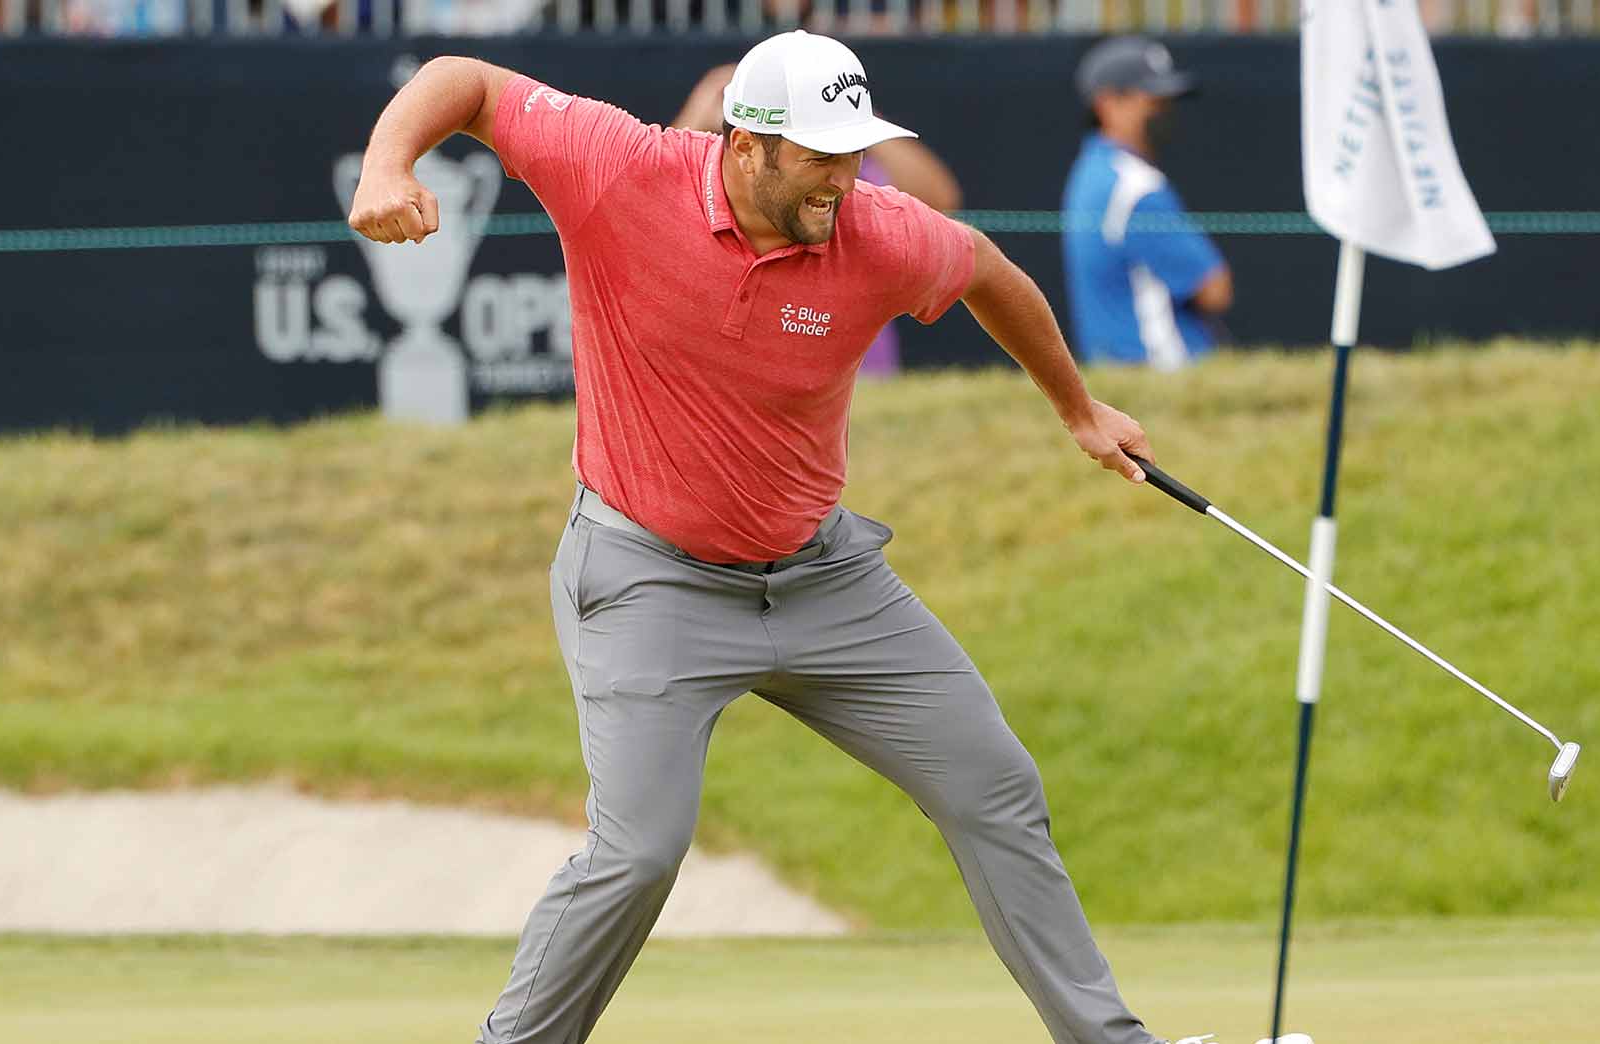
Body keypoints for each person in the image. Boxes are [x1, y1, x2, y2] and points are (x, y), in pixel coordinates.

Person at [348, 28, 1308, 1044]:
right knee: (637, 853)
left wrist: (1076, 409)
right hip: (648, 580)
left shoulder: (878, 230)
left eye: (855, 151)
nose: (844, 179)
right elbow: (465, 80)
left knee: (994, 784)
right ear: (748, 140)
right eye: (819, 153)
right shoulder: (622, 167)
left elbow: (986, 270)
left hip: (823, 581)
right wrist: (385, 164)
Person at [671, 62, 963, 378]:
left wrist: (852, 116)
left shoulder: (851, 176)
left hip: (864, 380)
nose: (841, 178)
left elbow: (941, 200)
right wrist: (704, 108)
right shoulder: (708, 179)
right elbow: (668, 191)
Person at [1062, 37, 1233, 371]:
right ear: (1108, 103)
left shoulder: (1090, 171)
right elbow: (1214, 290)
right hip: (1164, 369)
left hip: (1115, 370)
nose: (1163, 112)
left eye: (1167, 101)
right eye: (1152, 101)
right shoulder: (1136, 186)